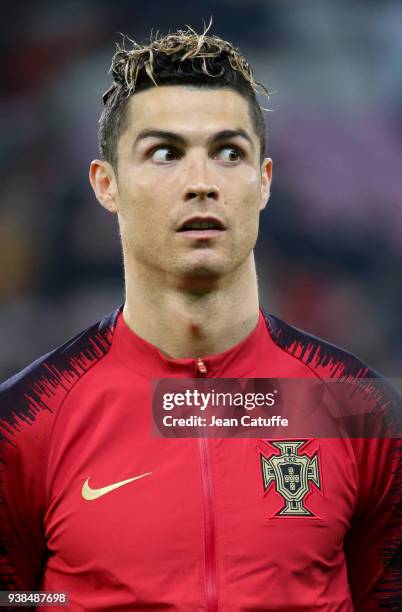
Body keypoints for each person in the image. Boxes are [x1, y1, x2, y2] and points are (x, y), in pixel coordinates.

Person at [0, 25, 400, 611]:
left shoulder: (360, 411)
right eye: (165, 153)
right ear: (106, 184)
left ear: (263, 182)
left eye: (229, 152)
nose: (201, 183)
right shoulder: (26, 424)